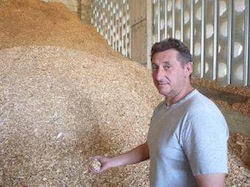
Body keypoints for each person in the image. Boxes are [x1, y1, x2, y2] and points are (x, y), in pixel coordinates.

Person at [89, 38, 229, 187]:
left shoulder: (200, 116)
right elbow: (153, 146)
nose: (158, 76)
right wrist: (111, 162)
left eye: (167, 67)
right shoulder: (164, 107)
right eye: (155, 67)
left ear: (187, 69)